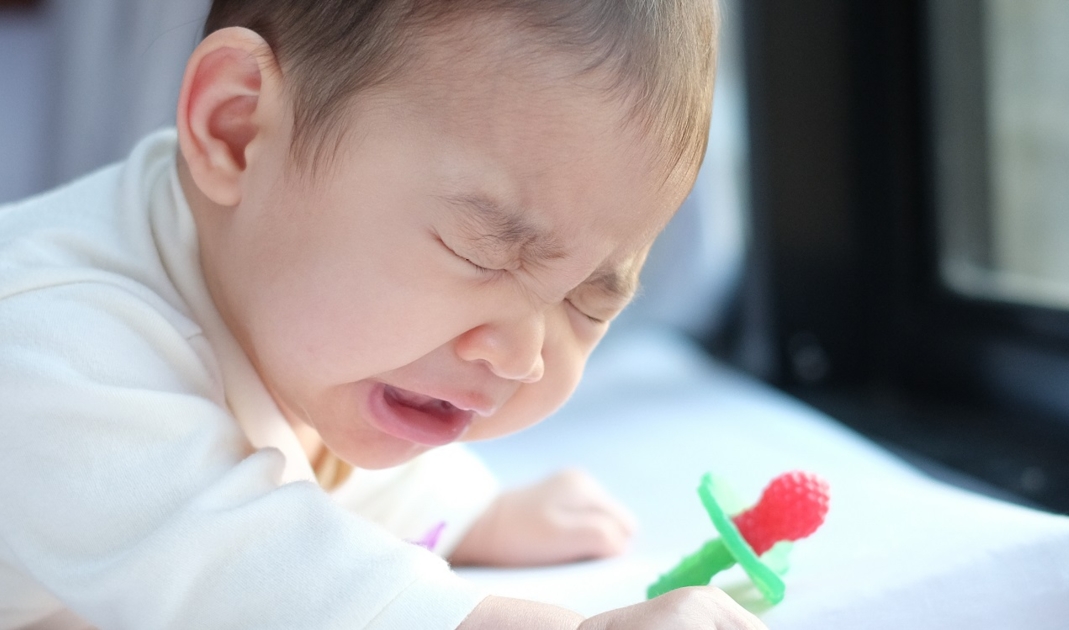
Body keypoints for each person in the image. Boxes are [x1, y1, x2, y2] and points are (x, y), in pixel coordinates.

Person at [0, 1, 766, 628]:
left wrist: (473, 514)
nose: (523, 355)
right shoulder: (51, 341)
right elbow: (253, 576)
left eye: (590, 300)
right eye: (483, 251)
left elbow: (310, 464)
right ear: (237, 130)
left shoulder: (285, 315)